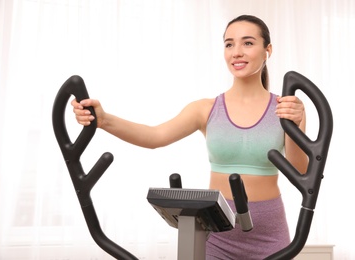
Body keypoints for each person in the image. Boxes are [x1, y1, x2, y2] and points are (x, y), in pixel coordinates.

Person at [72, 14, 308, 260]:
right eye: (229, 44)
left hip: (270, 237)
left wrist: (296, 123)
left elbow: (300, 171)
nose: (236, 52)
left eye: (248, 43)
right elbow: (155, 136)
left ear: (267, 49)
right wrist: (104, 120)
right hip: (217, 234)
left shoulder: (287, 108)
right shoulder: (205, 109)